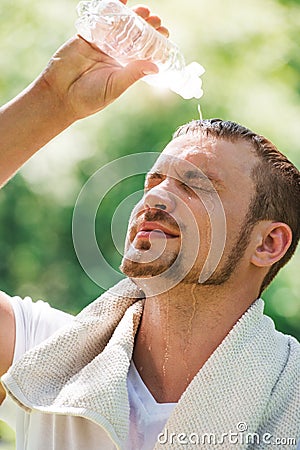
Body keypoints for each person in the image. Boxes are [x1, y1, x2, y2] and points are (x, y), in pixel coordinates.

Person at [0, 2, 299, 449]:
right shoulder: (46, 358)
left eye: (196, 185)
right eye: (154, 180)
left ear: (268, 243)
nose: (155, 197)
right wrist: (53, 98)